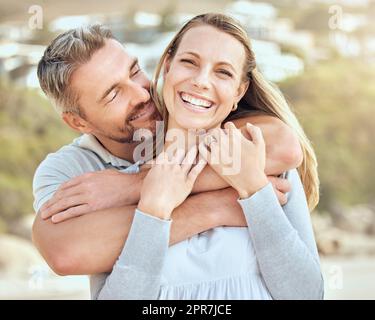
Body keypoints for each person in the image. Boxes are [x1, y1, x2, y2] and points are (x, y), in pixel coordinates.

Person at [32, 24, 302, 279]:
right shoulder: (67, 170)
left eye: (134, 71)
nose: (140, 94)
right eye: (114, 94)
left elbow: (282, 146)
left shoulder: (191, 111)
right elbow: (65, 252)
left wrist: (133, 186)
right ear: (79, 122)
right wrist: (215, 207)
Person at [88, 13, 323, 300]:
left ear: (239, 91)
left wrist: (254, 190)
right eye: (190, 62)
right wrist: (153, 208)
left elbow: (306, 295)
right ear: (167, 66)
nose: (201, 81)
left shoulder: (266, 163)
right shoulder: (116, 185)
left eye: (222, 72)